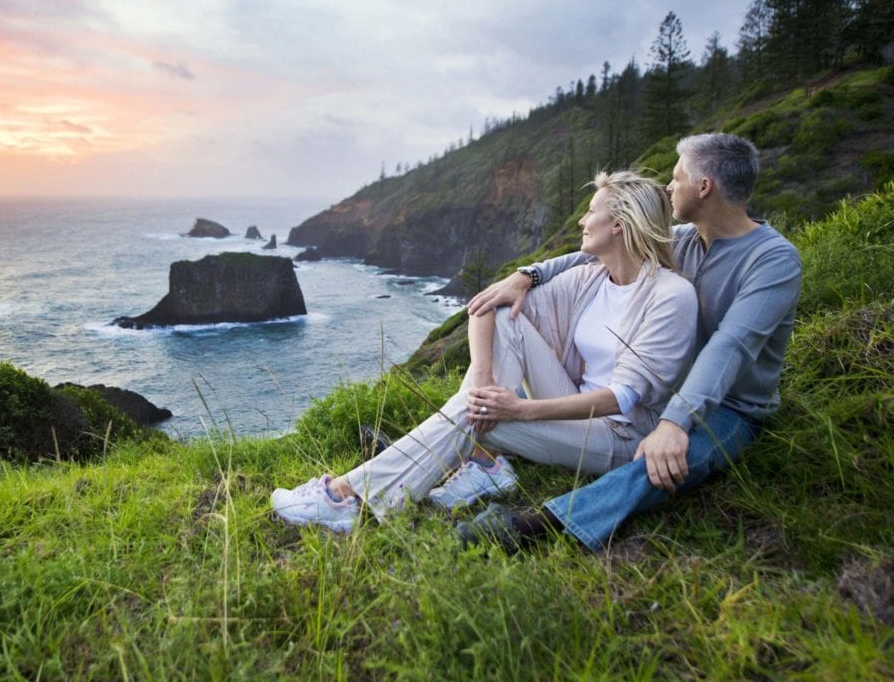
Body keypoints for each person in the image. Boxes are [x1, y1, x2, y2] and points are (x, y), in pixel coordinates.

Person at [271, 170, 698, 532]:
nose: (584, 219)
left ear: (620, 224)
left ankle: (347, 497)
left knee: (480, 416)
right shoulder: (591, 278)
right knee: (501, 341)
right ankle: (483, 464)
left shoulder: (670, 295)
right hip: (569, 403)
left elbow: (623, 397)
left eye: (593, 211)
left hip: (620, 435)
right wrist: (479, 377)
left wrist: (518, 410)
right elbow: (486, 304)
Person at [458, 132, 802, 551]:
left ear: (704, 187)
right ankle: (449, 457)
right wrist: (528, 275)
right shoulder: (683, 239)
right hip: (667, 391)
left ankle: (542, 523)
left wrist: (675, 424)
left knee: (665, 462)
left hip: (731, 406)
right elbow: (599, 250)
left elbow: (730, 346)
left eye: (677, 178)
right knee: (487, 404)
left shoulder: (773, 260)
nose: (669, 187)